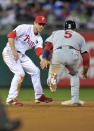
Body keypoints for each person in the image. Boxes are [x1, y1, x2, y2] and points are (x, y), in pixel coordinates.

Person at [2, 16, 53, 106]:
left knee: (36, 71)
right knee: (20, 73)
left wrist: (43, 60)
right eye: (39, 24)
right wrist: (13, 50)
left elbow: (39, 51)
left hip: (21, 55)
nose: (41, 26)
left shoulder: (39, 38)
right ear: (34, 23)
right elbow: (10, 36)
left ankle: (39, 96)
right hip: (9, 51)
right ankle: (10, 99)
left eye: (43, 25)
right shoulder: (24, 27)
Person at [40, 20, 90, 106]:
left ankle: (53, 81)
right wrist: (85, 71)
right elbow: (85, 56)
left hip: (58, 54)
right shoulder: (79, 36)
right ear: (75, 28)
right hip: (73, 55)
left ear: (65, 28)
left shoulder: (56, 33)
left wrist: (45, 58)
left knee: (53, 80)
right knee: (74, 74)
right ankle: (75, 100)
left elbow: (48, 47)